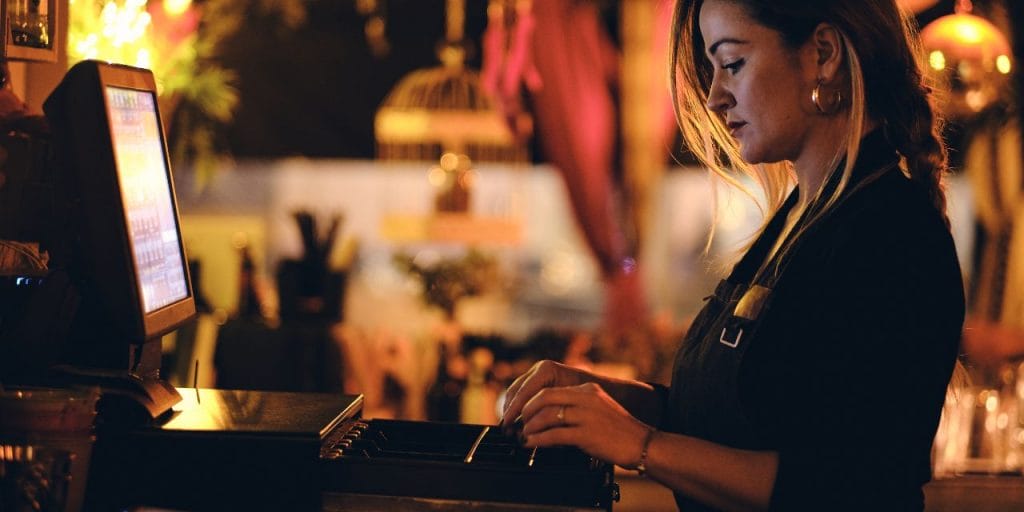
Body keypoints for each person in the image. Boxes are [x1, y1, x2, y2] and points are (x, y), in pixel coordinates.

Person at [499, 1, 965, 510]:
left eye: (733, 63)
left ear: (824, 55)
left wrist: (640, 446)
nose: (717, 97)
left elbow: (847, 485)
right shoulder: (802, 219)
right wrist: (595, 396)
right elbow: (731, 420)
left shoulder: (887, 235)